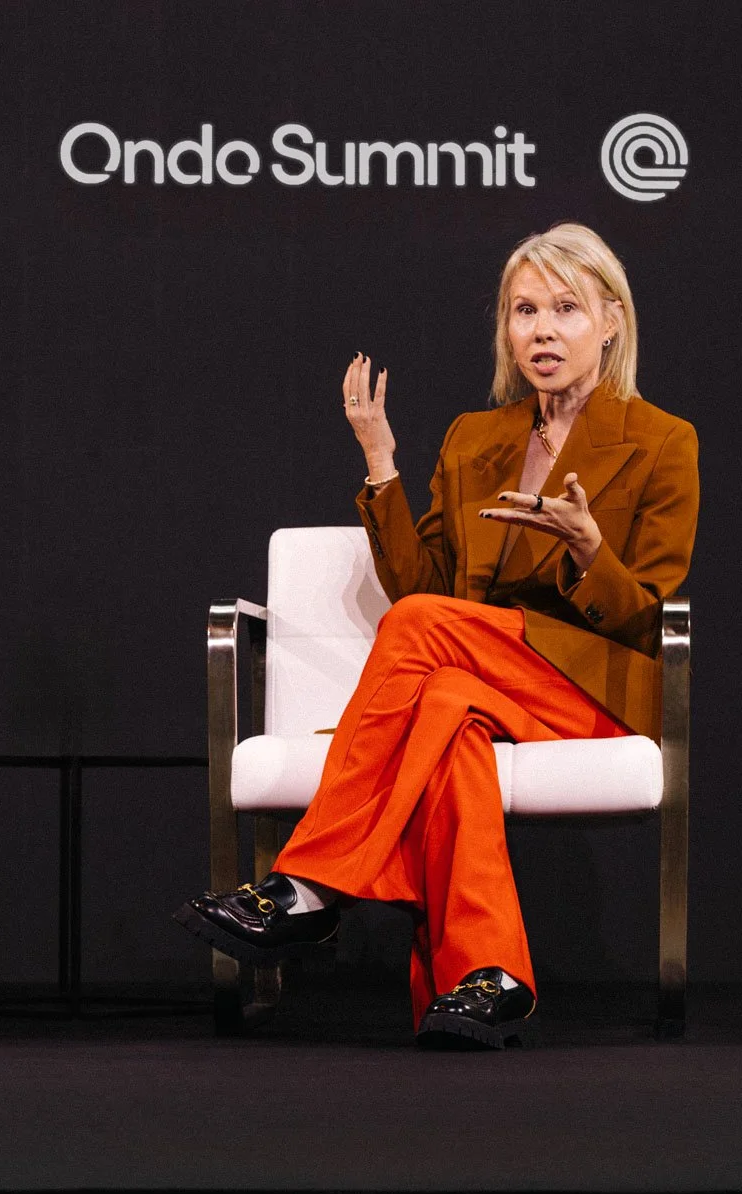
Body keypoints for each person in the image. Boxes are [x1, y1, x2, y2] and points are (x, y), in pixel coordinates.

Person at [175, 222, 699, 1050]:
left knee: (424, 639)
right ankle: (488, 979)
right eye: (524, 310)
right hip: (482, 672)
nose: (542, 329)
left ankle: (310, 881)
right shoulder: (473, 438)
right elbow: (426, 593)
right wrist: (382, 463)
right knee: (445, 706)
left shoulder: (663, 441)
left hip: (589, 687)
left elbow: (645, 612)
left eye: (566, 308)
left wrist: (591, 551)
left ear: (610, 320)